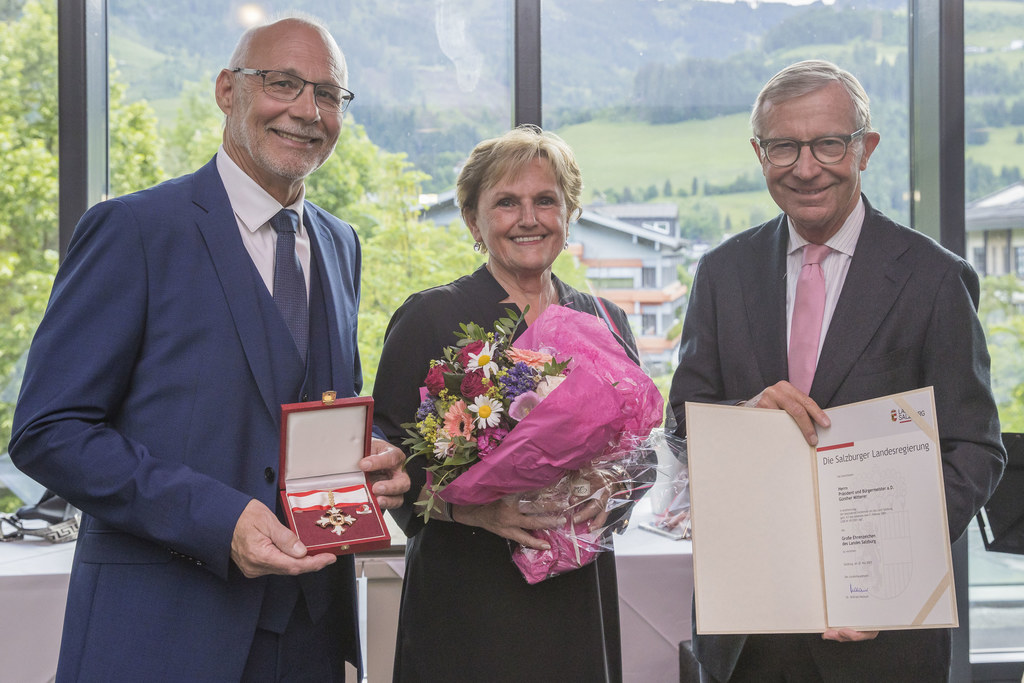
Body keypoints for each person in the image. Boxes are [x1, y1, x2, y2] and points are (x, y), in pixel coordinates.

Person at [8, 15, 409, 682]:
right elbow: (49, 431)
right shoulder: (134, 230)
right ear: (229, 90)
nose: (308, 112)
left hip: (310, 636)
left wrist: (370, 467)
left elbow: (314, 410)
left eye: (329, 94)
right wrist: (217, 519)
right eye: (284, 83)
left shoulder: (342, 244)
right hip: (162, 635)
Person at [668, 59, 1006, 682]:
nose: (805, 166)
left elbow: (975, 450)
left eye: (827, 143)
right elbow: (682, 428)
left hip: (881, 639)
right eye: (783, 147)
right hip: (748, 635)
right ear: (758, 153)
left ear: (865, 148)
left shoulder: (935, 279)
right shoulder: (722, 273)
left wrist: (888, 576)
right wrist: (742, 424)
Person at [373, 125, 642, 682]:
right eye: (506, 203)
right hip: (466, 601)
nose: (529, 218)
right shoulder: (427, 319)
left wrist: (614, 487)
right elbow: (388, 465)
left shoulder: (606, 322)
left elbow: (640, 453)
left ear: (569, 214)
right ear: (473, 221)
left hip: (574, 597)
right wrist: (472, 507)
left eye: (546, 200)